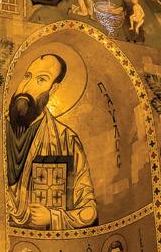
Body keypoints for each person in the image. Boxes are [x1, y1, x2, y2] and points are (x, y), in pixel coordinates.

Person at [6, 54, 97, 229]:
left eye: (41, 79)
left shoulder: (66, 141)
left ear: (53, 89)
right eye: (27, 76)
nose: (27, 87)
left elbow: (89, 211)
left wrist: (53, 217)